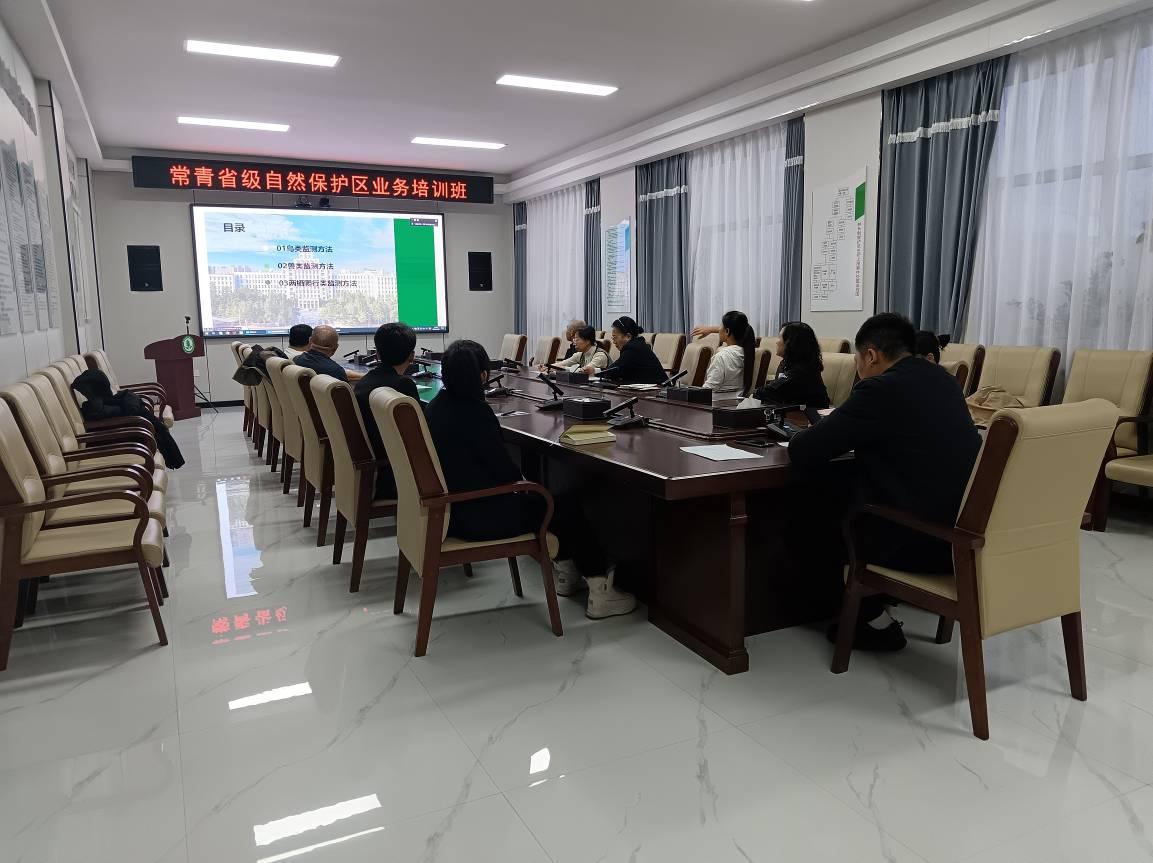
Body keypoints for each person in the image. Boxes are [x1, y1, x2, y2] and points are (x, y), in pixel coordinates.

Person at [788, 313, 981, 651]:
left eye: (858, 361)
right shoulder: (944, 380)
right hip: (963, 537)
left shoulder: (880, 389)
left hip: (920, 543)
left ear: (871, 355)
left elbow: (806, 449)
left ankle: (870, 618)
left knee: (814, 504)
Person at [426, 339, 636, 618]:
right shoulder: (476, 412)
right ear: (483, 376)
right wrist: (527, 485)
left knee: (548, 500)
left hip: (451, 512)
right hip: (478, 517)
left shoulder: (435, 407)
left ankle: (567, 572)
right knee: (564, 506)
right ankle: (600, 591)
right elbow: (505, 474)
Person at [355, 322, 421, 499]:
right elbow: (418, 434)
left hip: (374, 467)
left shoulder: (364, 381)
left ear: (377, 353)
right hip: (393, 475)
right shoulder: (403, 386)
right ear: (412, 356)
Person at [754, 321, 831, 408]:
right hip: (791, 410)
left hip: (811, 414)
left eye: (780, 337)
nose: (777, 342)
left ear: (791, 342)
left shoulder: (802, 370)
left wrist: (755, 393)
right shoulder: (786, 362)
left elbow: (768, 392)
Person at [701, 310, 756, 395]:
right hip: (737, 401)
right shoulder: (747, 353)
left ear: (727, 331)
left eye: (721, 326)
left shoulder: (722, 356)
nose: (719, 329)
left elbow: (708, 390)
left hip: (717, 402)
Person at [599, 317, 666, 384]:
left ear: (628, 336)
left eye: (615, 337)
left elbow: (613, 370)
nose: (614, 342)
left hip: (660, 389)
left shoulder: (633, 349)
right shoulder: (637, 345)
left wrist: (595, 371)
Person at [544, 325, 609, 374]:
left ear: (587, 341)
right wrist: (547, 367)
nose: (574, 342)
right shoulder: (580, 354)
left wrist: (563, 368)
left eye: (577, 339)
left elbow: (584, 371)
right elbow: (563, 363)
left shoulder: (600, 356)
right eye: (574, 339)